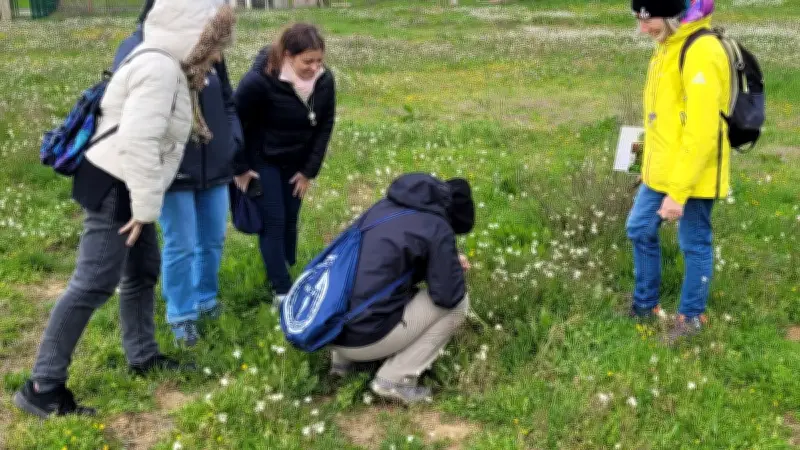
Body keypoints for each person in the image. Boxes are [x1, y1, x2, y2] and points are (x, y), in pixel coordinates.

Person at [12, 0, 235, 417]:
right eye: (216, 45)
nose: (220, 56)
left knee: (142, 270)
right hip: (116, 184)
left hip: (129, 184)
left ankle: (142, 355)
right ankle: (43, 386)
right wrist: (147, 208)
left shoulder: (172, 66)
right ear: (195, 37)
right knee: (93, 283)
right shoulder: (160, 69)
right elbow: (136, 141)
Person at [113, 0, 244, 346]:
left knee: (213, 238)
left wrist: (232, 140)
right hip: (172, 166)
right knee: (182, 244)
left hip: (214, 162)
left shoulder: (205, 41)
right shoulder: (143, 50)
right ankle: (182, 315)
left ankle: (206, 298)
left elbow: (227, 100)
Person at [626, 0, 731, 344]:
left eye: (648, 19)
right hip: (663, 169)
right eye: (639, 20)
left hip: (695, 174)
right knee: (639, 228)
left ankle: (691, 318)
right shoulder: (666, 46)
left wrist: (678, 193)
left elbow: (702, 133)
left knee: (694, 242)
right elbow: (660, 119)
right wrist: (645, 166)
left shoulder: (701, 50)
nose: (643, 29)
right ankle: (645, 306)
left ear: (671, 16)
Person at [328, 173, 474, 405]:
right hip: (363, 341)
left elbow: (387, 266)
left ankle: (343, 364)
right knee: (459, 305)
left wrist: (438, 260)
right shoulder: (437, 226)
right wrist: (449, 265)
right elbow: (447, 295)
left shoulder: (383, 208)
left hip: (329, 330)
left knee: (366, 283)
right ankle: (394, 380)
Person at [232, 23, 336, 305]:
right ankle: (282, 290)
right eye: (308, 61)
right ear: (288, 55)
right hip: (262, 159)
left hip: (296, 162)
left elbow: (325, 125)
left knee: (291, 219)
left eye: (319, 61)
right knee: (274, 221)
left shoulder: (325, 82)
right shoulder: (260, 81)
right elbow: (233, 120)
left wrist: (308, 171)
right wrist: (239, 168)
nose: (315, 67)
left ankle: (284, 267)